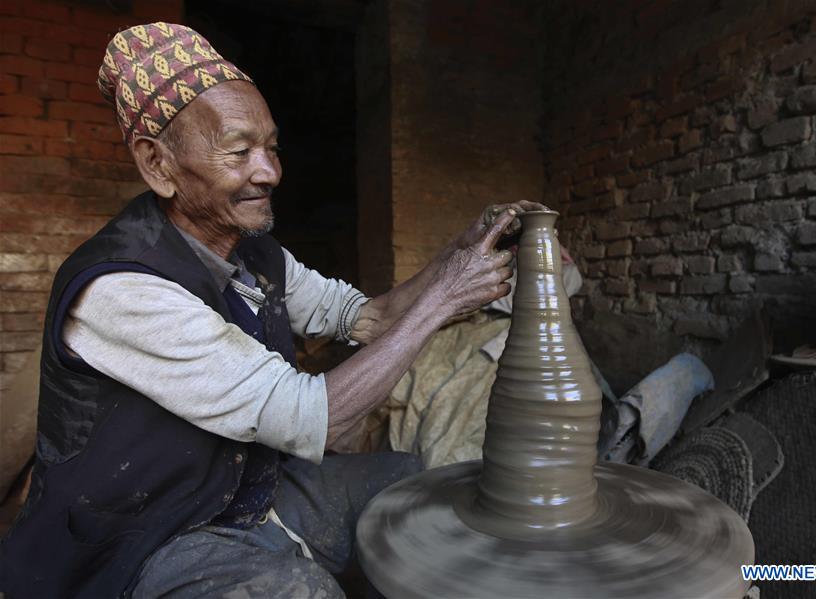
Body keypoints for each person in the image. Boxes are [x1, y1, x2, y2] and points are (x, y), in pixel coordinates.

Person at [0, 22, 546, 598]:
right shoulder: (123, 289)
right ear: (158, 164)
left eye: (272, 148)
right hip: (143, 538)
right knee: (301, 590)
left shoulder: (255, 252)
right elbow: (315, 418)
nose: (270, 172)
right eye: (239, 152)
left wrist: (460, 252)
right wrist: (444, 298)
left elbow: (368, 318)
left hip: (242, 495)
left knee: (413, 481)